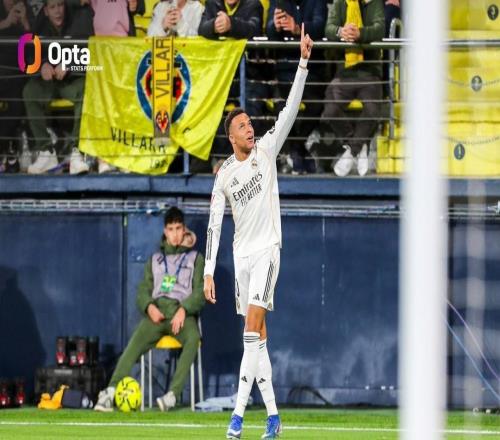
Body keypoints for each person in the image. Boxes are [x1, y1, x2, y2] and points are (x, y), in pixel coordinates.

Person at [203, 24, 312, 440]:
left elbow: (290, 110)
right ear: (231, 137)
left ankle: (236, 417)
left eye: (251, 123)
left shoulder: (266, 151)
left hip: (267, 251)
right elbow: (214, 224)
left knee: (250, 332)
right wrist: (209, 271)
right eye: (243, 126)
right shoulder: (224, 175)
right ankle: (273, 417)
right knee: (259, 340)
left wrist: (302, 64)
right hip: (242, 257)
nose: (250, 128)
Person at [94, 206, 205, 412]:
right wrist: (149, 306)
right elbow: (143, 291)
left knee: (193, 338)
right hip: (157, 314)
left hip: (180, 314)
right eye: (170, 229)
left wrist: (184, 309)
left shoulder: (195, 258)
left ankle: (172, 395)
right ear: (165, 231)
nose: (174, 234)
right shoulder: (155, 259)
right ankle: (109, 392)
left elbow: (201, 291)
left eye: (178, 229)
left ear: (184, 230)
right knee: (134, 344)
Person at [313, 0, 384, 177]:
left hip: (369, 72)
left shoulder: (374, 3)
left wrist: (361, 33)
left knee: (373, 109)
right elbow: (329, 28)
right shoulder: (340, 3)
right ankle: (359, 146)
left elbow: (380, 29)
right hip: (344, 72)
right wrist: (341, 32)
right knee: (330, 110)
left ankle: (352, 150)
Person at [23, 0, 93, 174]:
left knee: (86, 90)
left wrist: (69, 63)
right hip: (49, 81)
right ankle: (46, 151)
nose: (57, 11)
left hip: (71, 80)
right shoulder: (40, 24)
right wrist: (42, 65)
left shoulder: (77, 19)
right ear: (46, 10)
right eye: (52, 7)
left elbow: (88, 50)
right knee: (29, 91)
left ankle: (77, 152)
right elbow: (30, 53)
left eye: (60, 5)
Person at [266, 0, 327, 174]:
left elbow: (320, 27)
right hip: (285, 72)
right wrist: (274, 26)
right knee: (281, 106)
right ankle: (298, 150)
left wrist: (298, 28)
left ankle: (296, 147)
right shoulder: (277, 1)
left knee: (316, 105)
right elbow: (268, 31)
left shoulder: (317, 2)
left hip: (311, 72)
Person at [0, 0, 33, 173]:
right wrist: (5, 23)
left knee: (17, 102)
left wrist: (26, 24)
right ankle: (7, 147)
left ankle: (9, 148)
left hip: (18, 72)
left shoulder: (26, 9)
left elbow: (34, 48)